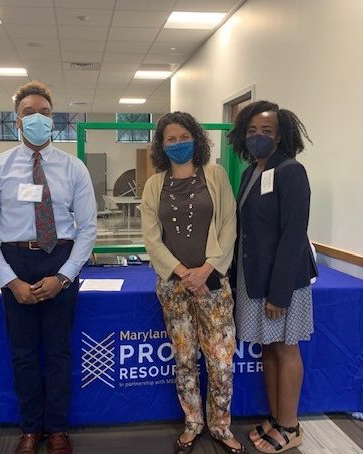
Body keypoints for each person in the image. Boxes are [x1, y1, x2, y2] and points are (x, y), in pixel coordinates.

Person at [0, 80, 97, 454]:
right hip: (17, 261)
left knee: (58, 352)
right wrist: (10, 281)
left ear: (53, 119)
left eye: (44, 112)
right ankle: (30, 429)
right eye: (29, 113)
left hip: (60, 259)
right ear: (16, 122)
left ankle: (57, 429)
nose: (37, 119)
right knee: (23, 353)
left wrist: (64, 276)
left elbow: (88, 228)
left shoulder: (74, 168)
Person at [141, 112, 245, 454]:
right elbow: (152, 238)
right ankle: (193, 423)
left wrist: (207, 270)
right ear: (161, 146)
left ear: (196, 139)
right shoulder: (154, 184)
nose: (177, 144)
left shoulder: (215, 176)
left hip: (213, 285)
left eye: (183, 137)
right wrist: (184, 272)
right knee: (184, 359)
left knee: (220, 360)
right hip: (174, 287)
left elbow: (229, 226)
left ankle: (220, 425)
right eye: (170, 139)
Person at [228, 100, 316, 453]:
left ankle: (291, 426)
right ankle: (276, 417)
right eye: (251, 131)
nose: (257, 137)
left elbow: (293, 235)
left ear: (281, 136)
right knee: (267, 348)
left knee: (286, 348)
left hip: (283, 283)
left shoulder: (291, 171)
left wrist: (278, 294)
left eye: (266, 131)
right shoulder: (252, 172)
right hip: (254, 277)